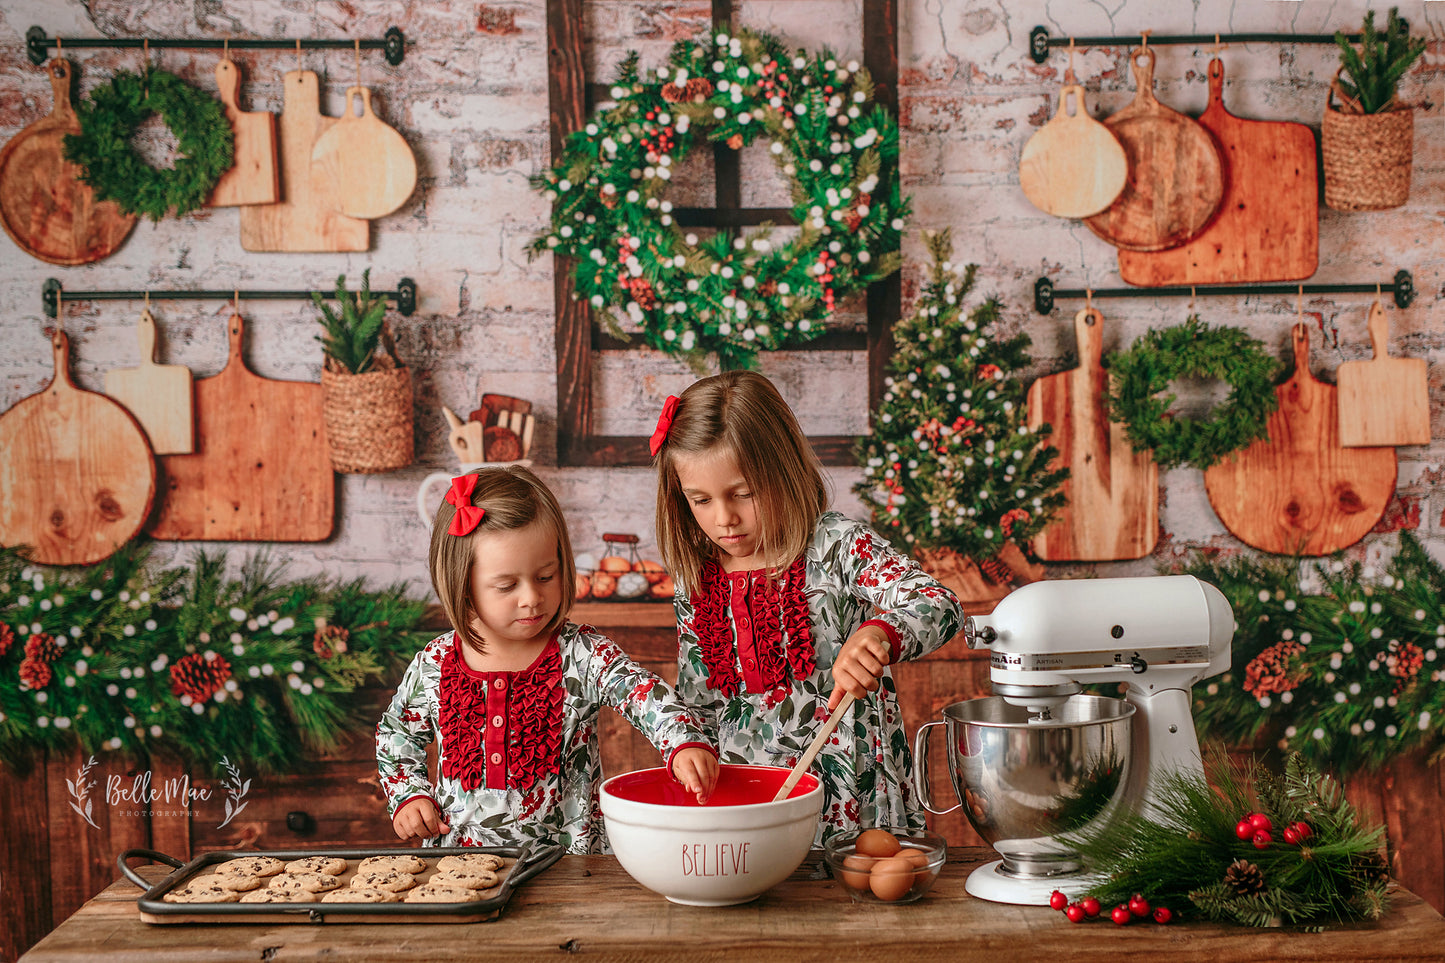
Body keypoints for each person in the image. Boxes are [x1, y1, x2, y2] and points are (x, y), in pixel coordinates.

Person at [651, 371, 964, 842]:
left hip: (853, 802)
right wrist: (690, 754)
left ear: (784, 470)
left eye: (744, 493)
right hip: (752, 808)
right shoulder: (696, 578)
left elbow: (938, 603)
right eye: (701, 499)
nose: (724, 518)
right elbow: (698, 699)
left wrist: (880, 634)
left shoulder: (835, 545)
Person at [377, 465, 718, 853]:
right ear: (461, 583)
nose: (531, 598)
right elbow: (396, 735)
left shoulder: (583, 654)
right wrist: (409, 796)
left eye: (545, 576)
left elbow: (644, 693)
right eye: (507, 585)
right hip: (459, 867)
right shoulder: (434, 664)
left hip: (572, 872)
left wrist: (683, 742)